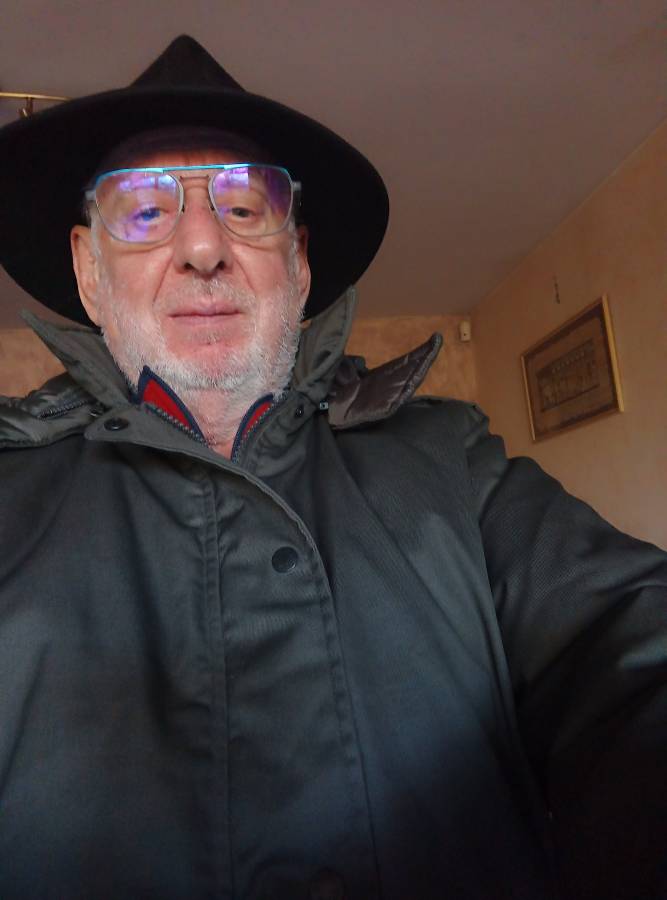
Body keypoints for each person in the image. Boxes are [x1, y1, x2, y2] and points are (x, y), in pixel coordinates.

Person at [0, 35, 664, 900]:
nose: (202, 245)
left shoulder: (450, 460)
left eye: (245, 205)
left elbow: (626, 642)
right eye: (145, 211)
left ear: (299, 261)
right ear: (90, 274)